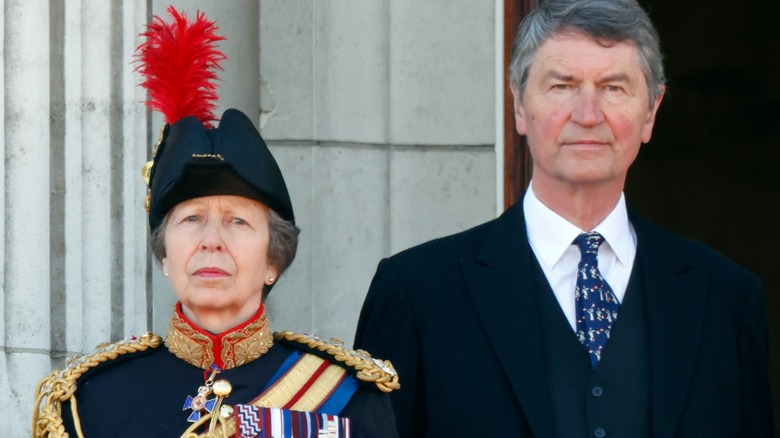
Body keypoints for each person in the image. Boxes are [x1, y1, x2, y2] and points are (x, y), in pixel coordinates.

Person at [353, 0, 775, 436]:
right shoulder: (417, 292)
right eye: (562, 86)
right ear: (518, 104)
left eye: (614, 87)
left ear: (650, 111)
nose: (588, 114)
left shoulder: (726, 299)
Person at [32, 7, 398, 438]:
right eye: (191, 219)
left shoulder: (350, 396)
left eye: (238, 222)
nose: (211, 241)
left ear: (273, 260)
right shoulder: (92, 397)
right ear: (164, 253)